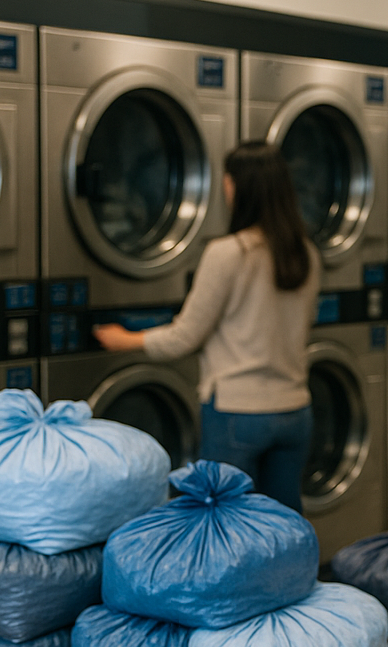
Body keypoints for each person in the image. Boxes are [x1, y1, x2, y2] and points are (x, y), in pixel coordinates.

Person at [94, 142, 320, 511]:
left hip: (238, 413)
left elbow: (186, 337)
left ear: (239, 187)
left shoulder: (229, 252)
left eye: (227, 181)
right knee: (285, 528)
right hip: (295, 410)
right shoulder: (305, 252)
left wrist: (126, 340)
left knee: (224, 527)